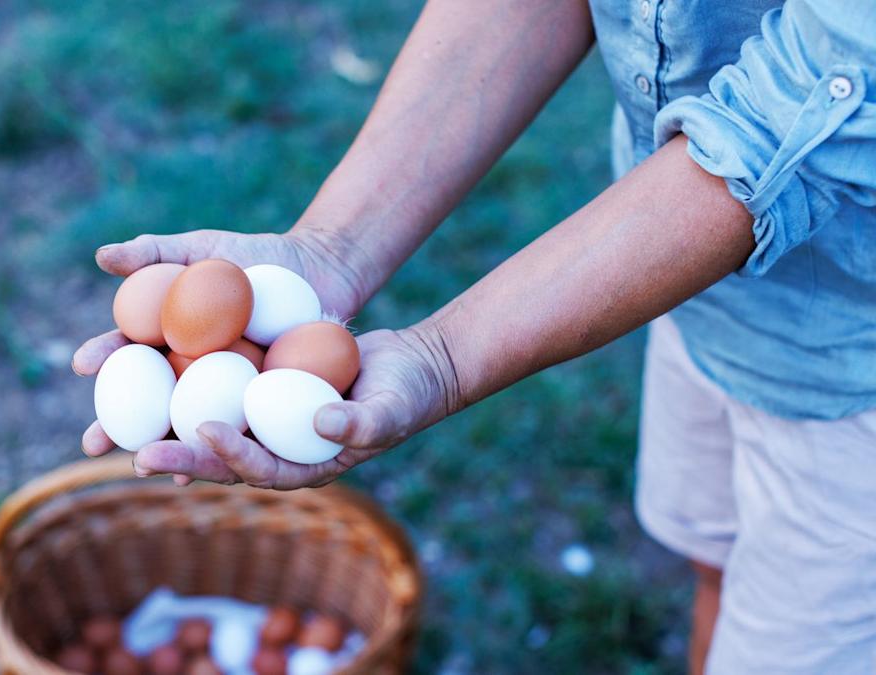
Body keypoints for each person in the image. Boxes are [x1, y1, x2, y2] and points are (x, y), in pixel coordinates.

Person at [73, 0, 875, 672]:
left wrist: (443, 358)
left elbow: (812, 110)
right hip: (700, 283)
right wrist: (330, 249)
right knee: (722, 562)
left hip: (856, 354)